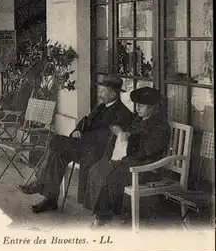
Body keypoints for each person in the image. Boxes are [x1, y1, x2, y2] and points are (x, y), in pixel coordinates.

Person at [17, 75, 134, 213]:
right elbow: (85, 121)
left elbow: (109, 139)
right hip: (85, 147)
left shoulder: (122, 113)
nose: (100, 94)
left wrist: (84, 137)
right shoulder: (101, 107)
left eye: (103, 91)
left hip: (99, 153)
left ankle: (41, 184)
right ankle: (50, 199)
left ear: (114, 93)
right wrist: (77, 130)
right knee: (56, 152)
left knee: (55, 142)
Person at [83, 87, 171, 228]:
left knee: (110, 175)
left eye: (142, 106)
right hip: (130, 160)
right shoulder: (137, 120)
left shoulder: (160, 126)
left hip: (147, 167)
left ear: (153, 107)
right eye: (136, 105)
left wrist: (129, 141)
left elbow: (148, 151)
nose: (138, 108)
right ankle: (101, 214)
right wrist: (121, 135)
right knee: (97, 169)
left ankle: (106, 216)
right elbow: (128, 136)